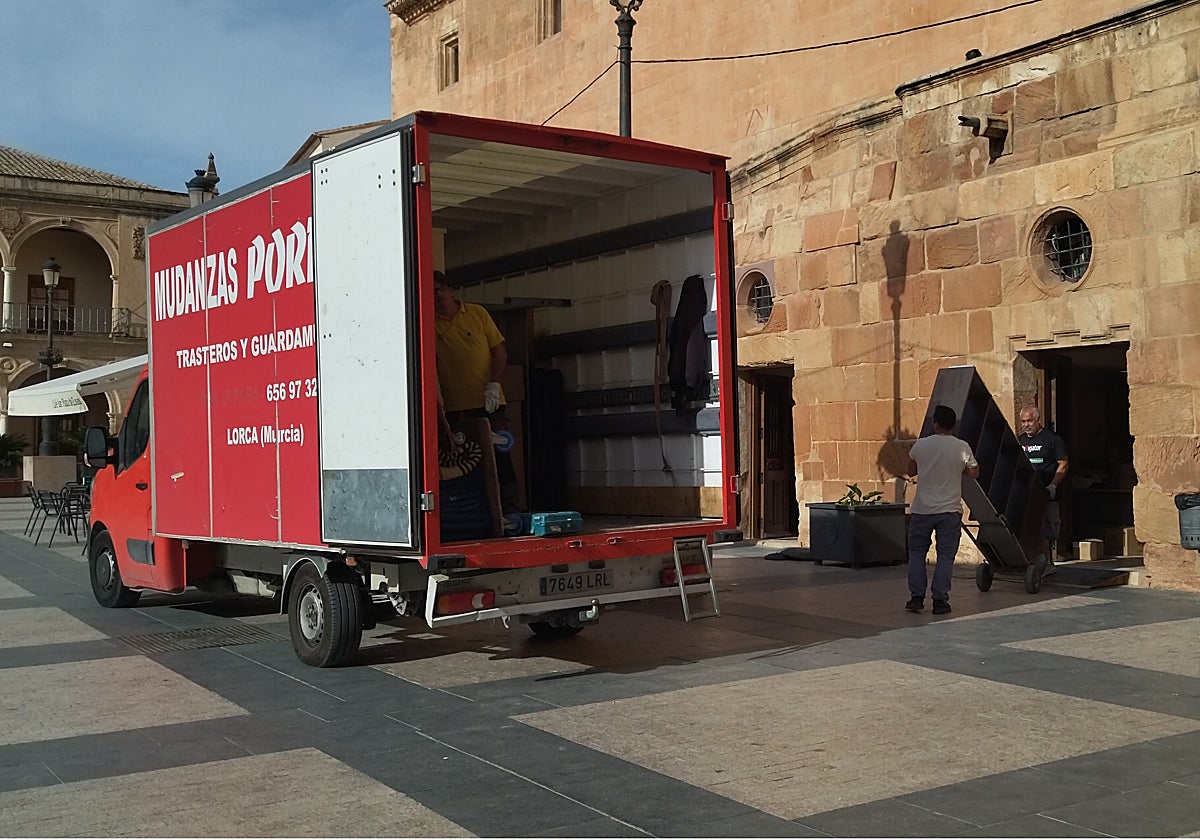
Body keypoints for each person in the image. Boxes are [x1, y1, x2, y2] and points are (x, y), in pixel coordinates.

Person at [432, 271, 521, 532]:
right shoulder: (428, 323)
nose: (437, 295)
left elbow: (499, 350)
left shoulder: (477, 314)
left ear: (451, 290)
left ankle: (509, 511)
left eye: (440, 289)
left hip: (488, 401)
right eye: (431, 290)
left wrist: (494, 383)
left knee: (500, 457)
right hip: (455, 409)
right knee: (465, 462)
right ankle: (482, 515)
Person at [904, 405, 980, 615]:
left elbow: (910, 471)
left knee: (917, 552)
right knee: (945, 555)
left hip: (922, 509)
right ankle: (940, 600)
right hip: (949, 509)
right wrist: (959, 469)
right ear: (953, 425)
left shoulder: (921, 445)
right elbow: (975, 472)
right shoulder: (962, 446)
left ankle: (916, 597)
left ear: (935, 423)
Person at [1018, 405, 1069, 573]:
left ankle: (1047, 563)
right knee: (1030, 529)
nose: (1026, 425)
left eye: (1030, 421)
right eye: (1023, 421)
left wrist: (1053, 485)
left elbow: (1063, 463)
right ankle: (1031, 562)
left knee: (1047, 530)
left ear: (1038, 420)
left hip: (1047, 493)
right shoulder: (1020, 441)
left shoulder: (1052, 439)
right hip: (1027, 494)